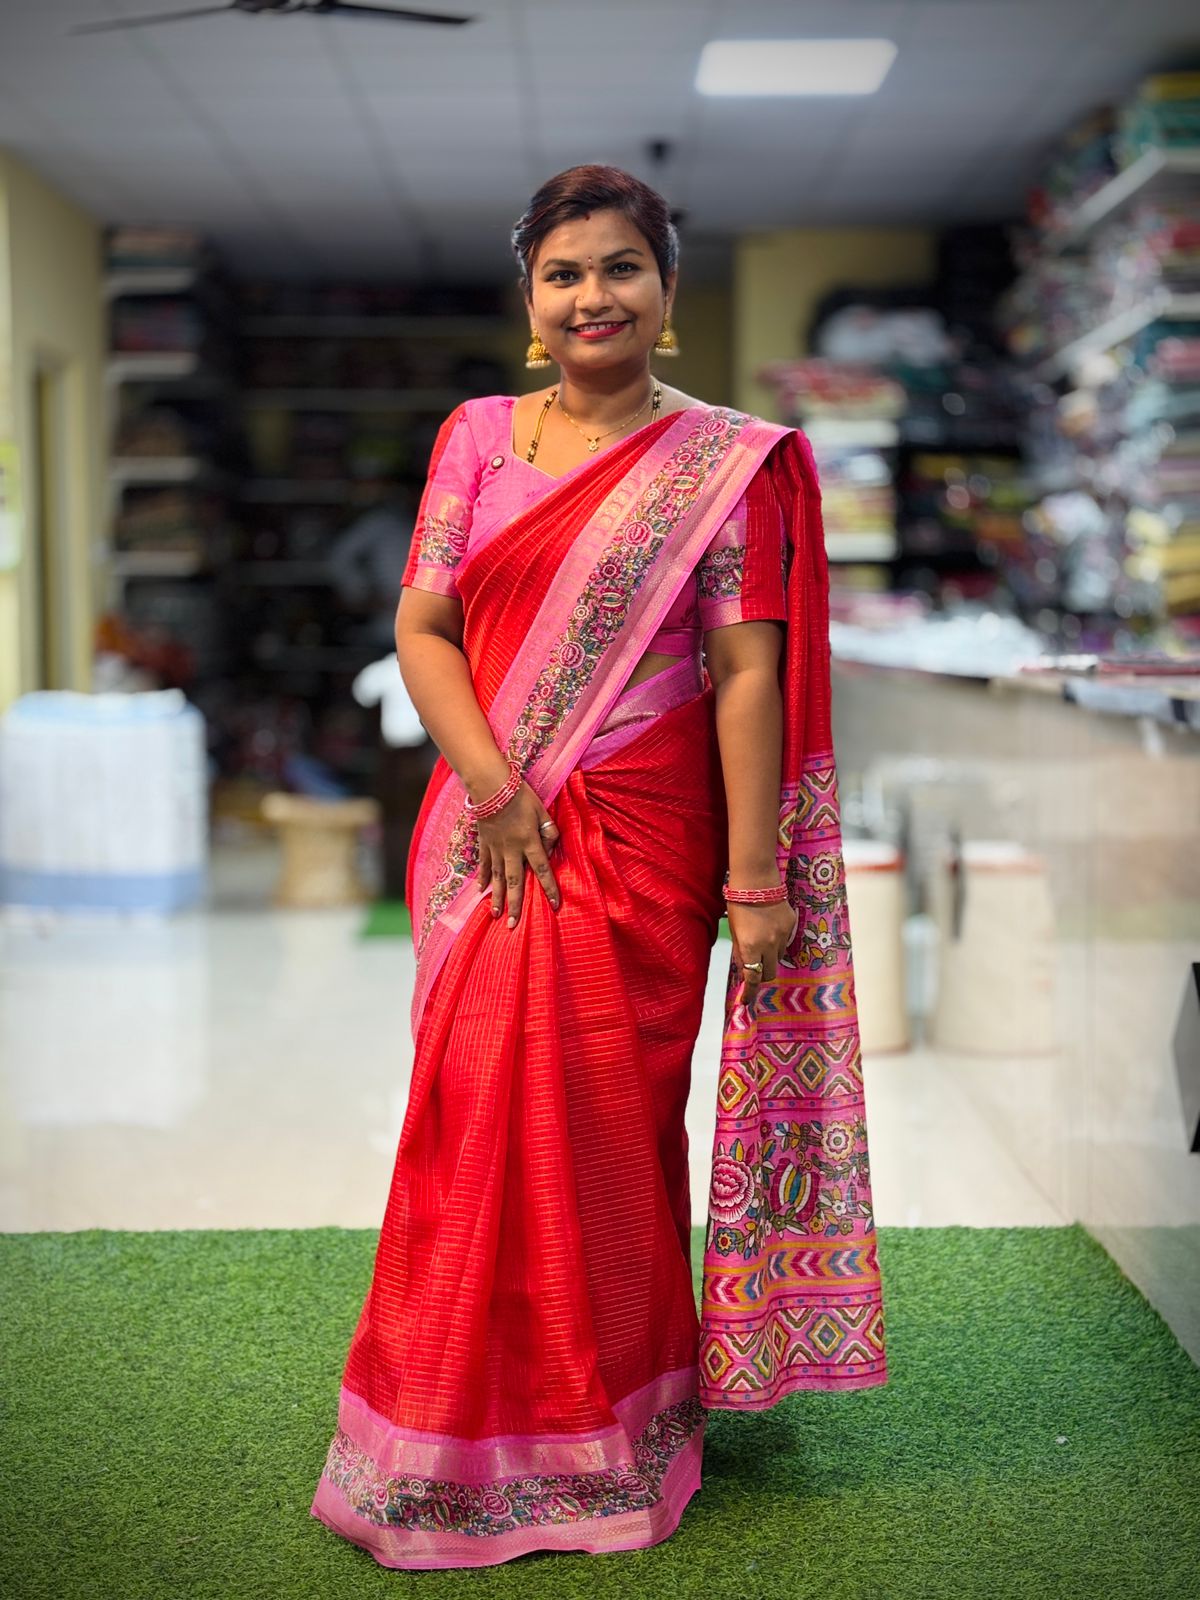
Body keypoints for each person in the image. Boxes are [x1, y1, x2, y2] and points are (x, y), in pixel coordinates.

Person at [311, 164, 888, 1571]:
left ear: (668, 295)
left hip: (645, 838)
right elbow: (426, 628)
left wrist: (758, 882)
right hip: (494, 832)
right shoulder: (477, 439)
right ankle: (440, 1429)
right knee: (470, 1120)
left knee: (612, 1129)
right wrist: (501, 792)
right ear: (531, 301)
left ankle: (612, 1433)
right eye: (565, 273)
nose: (593, 296)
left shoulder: (729, 465)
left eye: (622, 267)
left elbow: (748, 676)